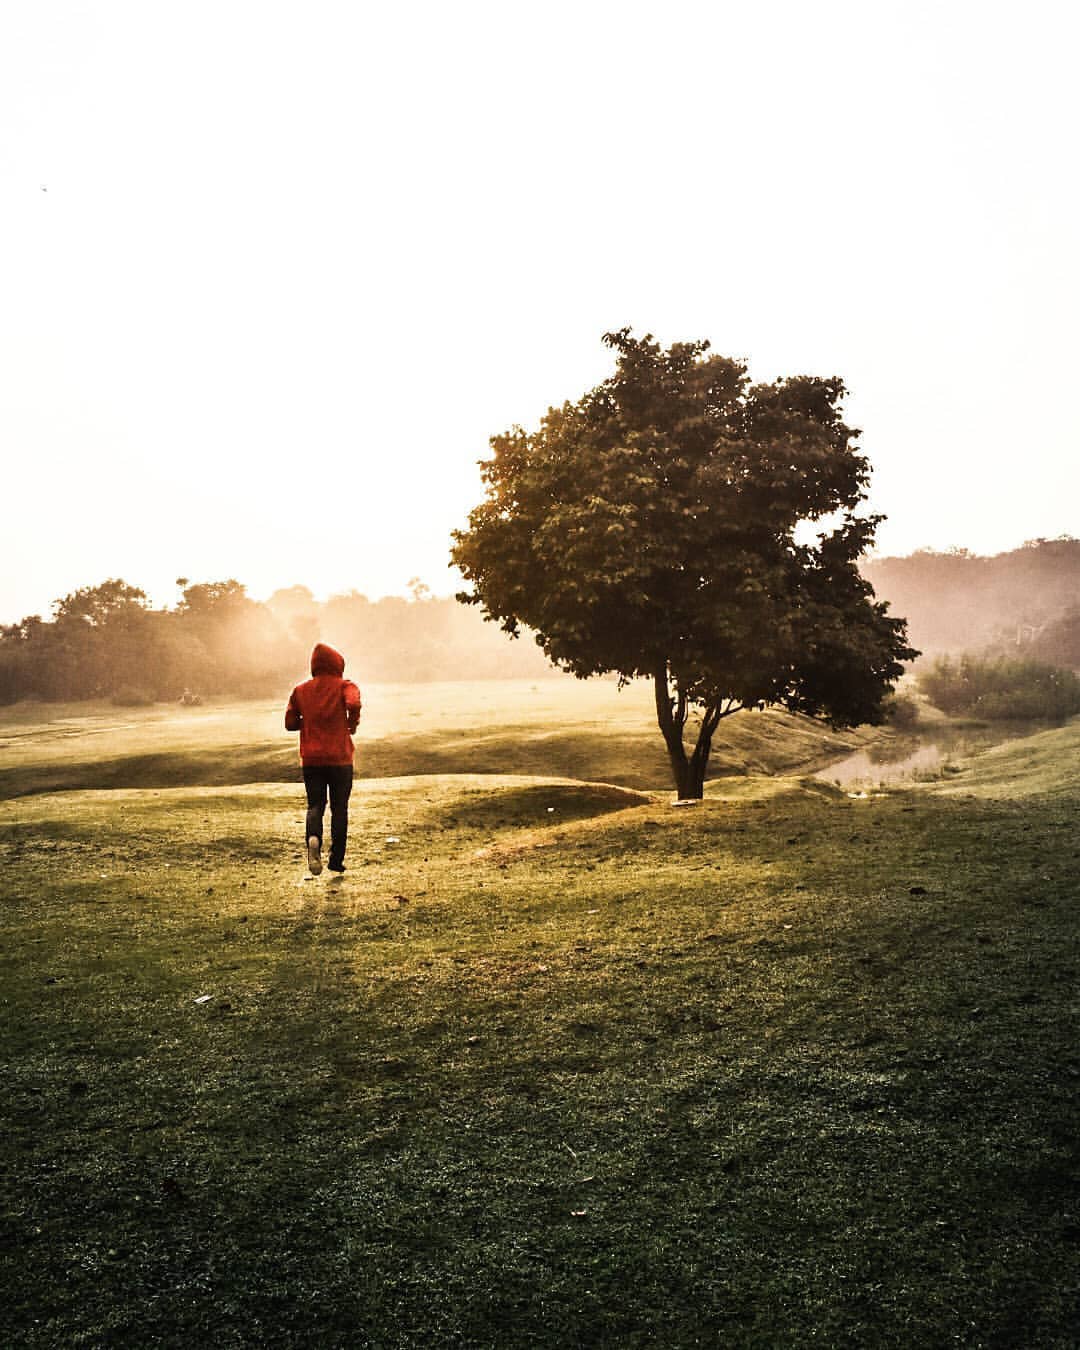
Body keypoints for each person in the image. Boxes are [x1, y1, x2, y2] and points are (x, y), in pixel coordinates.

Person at [285, 643, 362, 875]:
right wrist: (351, 723)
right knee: (340, 809)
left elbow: (289, 723)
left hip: (312, 759)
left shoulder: (300, 690)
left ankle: (313, 838)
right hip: (340, 758)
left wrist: (307, 722)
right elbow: (354, 703)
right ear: (338, 664)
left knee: (315, 804)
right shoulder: (345, 685)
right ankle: (336, 860)